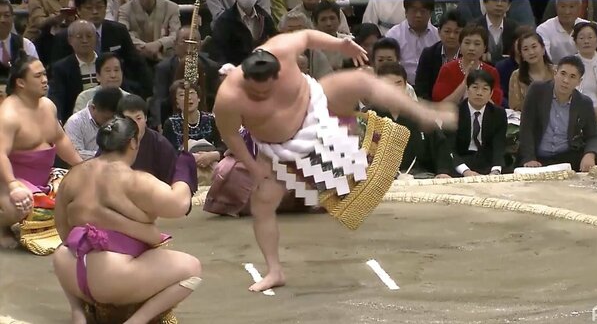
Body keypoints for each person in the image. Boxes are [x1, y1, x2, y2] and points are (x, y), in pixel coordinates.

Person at [213, 29, 458, 292]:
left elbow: (307, 36)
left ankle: (422, 112)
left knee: (360, 80)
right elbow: (230, 136)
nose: (262, 96)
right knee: (262, 206)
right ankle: (275, 271)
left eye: (267, 90)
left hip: (314, 105)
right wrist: (253, 167)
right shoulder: (229, 98)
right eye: (255, 93)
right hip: (278, 148)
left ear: (279, 71)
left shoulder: (282, 48)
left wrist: (341, 45)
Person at [52, 116, 201, 324]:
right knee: (192, 269)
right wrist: (183, 171)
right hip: (114, 278)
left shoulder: (72, 176)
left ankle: (78, 311)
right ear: (132, 142)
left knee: (62, 250)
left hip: (69, 270)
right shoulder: (136, 180)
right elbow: (179, 205)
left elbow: (62, 227)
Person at [0, 55, 82, 249]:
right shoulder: (8, 115)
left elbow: (60, 139)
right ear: (20, 82)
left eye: (44, 74)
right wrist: (12, 185)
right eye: (37, 76)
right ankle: (2, 227)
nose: (44, 80)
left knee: (83, 189)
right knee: (17, 206)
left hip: (45, 178)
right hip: (9, 180)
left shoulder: (48, 106)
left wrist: (81, 166)